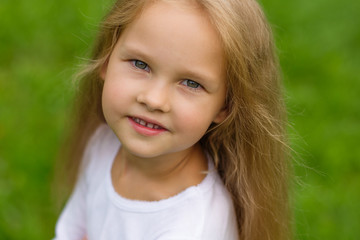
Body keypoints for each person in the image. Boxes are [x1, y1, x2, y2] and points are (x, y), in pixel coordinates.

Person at [54, 0, 291, 239]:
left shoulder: (193, 228)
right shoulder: (102, 143)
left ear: (226, 105)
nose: (154, 100)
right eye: (140, 64)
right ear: (106, 59)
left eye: (191, 83)